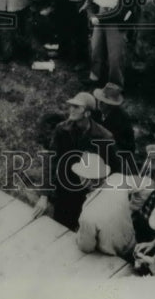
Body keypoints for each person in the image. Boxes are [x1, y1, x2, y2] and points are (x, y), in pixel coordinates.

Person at [42, 91, 118, 231]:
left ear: (88, 113)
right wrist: (44, 195)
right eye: (71, 105)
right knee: (58, 230)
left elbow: (114, 170)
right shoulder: (62, 129)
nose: (71, 109)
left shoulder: (104, 137)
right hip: (64, 191)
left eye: (77, 107)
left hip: (88, 194)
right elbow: (51, 162)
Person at [74, 156, 135, 259]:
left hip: (111, 258)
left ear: (85, 179)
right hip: (132, 244)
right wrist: (133, 207)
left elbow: (86, 247)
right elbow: (146, 187)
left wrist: (78, 235)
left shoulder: (87, 215)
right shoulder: (118, 179)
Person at [93, 82, 135, 157]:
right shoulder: (97, 112)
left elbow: (127, 145)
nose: (100, 103)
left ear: (111, 105)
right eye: (99, 100)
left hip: (118, 151)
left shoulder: (121, 118)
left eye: (103, 102)